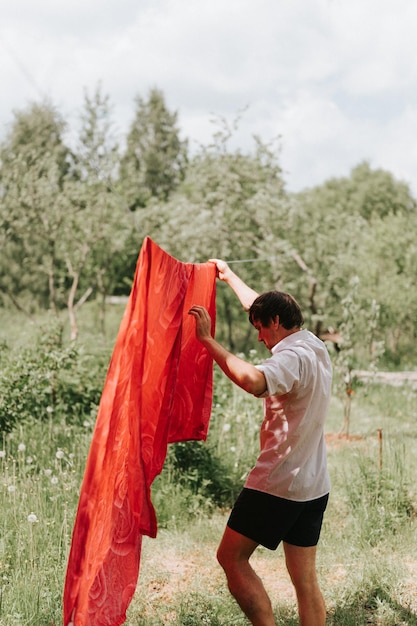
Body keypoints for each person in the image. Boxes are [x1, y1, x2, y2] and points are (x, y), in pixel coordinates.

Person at [188, 259, 332, 626]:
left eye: (261, 328)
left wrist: (207, 341)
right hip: (313, 486)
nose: (259, 337)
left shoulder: (292, 357)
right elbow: (261, 307)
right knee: (305, 581)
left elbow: (253, 382)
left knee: (230, 558)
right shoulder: (312, 344)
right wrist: (230, 276)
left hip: (278, 484)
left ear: (276, 324)